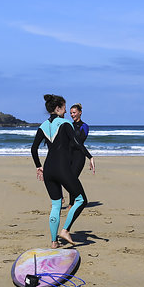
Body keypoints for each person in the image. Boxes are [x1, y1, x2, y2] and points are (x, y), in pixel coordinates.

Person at [31, 94, 95, 248]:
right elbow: (76, 142)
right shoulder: (66, 123)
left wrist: (38, 166)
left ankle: (54, 242)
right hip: (62, 168)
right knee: (81, 200)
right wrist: (90, 157)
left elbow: (33, 149)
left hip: (48, 170)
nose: (66, 112)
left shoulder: (43, 126)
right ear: (58, 108)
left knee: (56, 204)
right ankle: (65, 230)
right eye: (65, 108)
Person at [68, 103, 90, 206]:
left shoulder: (84, 126)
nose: (72, 115)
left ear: (80, 113)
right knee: (68, 179)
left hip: (79, 156)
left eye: (74, 112)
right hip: (69, 156)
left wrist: (90, 156)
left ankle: (71, 204)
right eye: (71, 113)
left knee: (72, 178)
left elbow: (79, 142)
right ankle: (79, 199)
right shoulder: (69, 125)